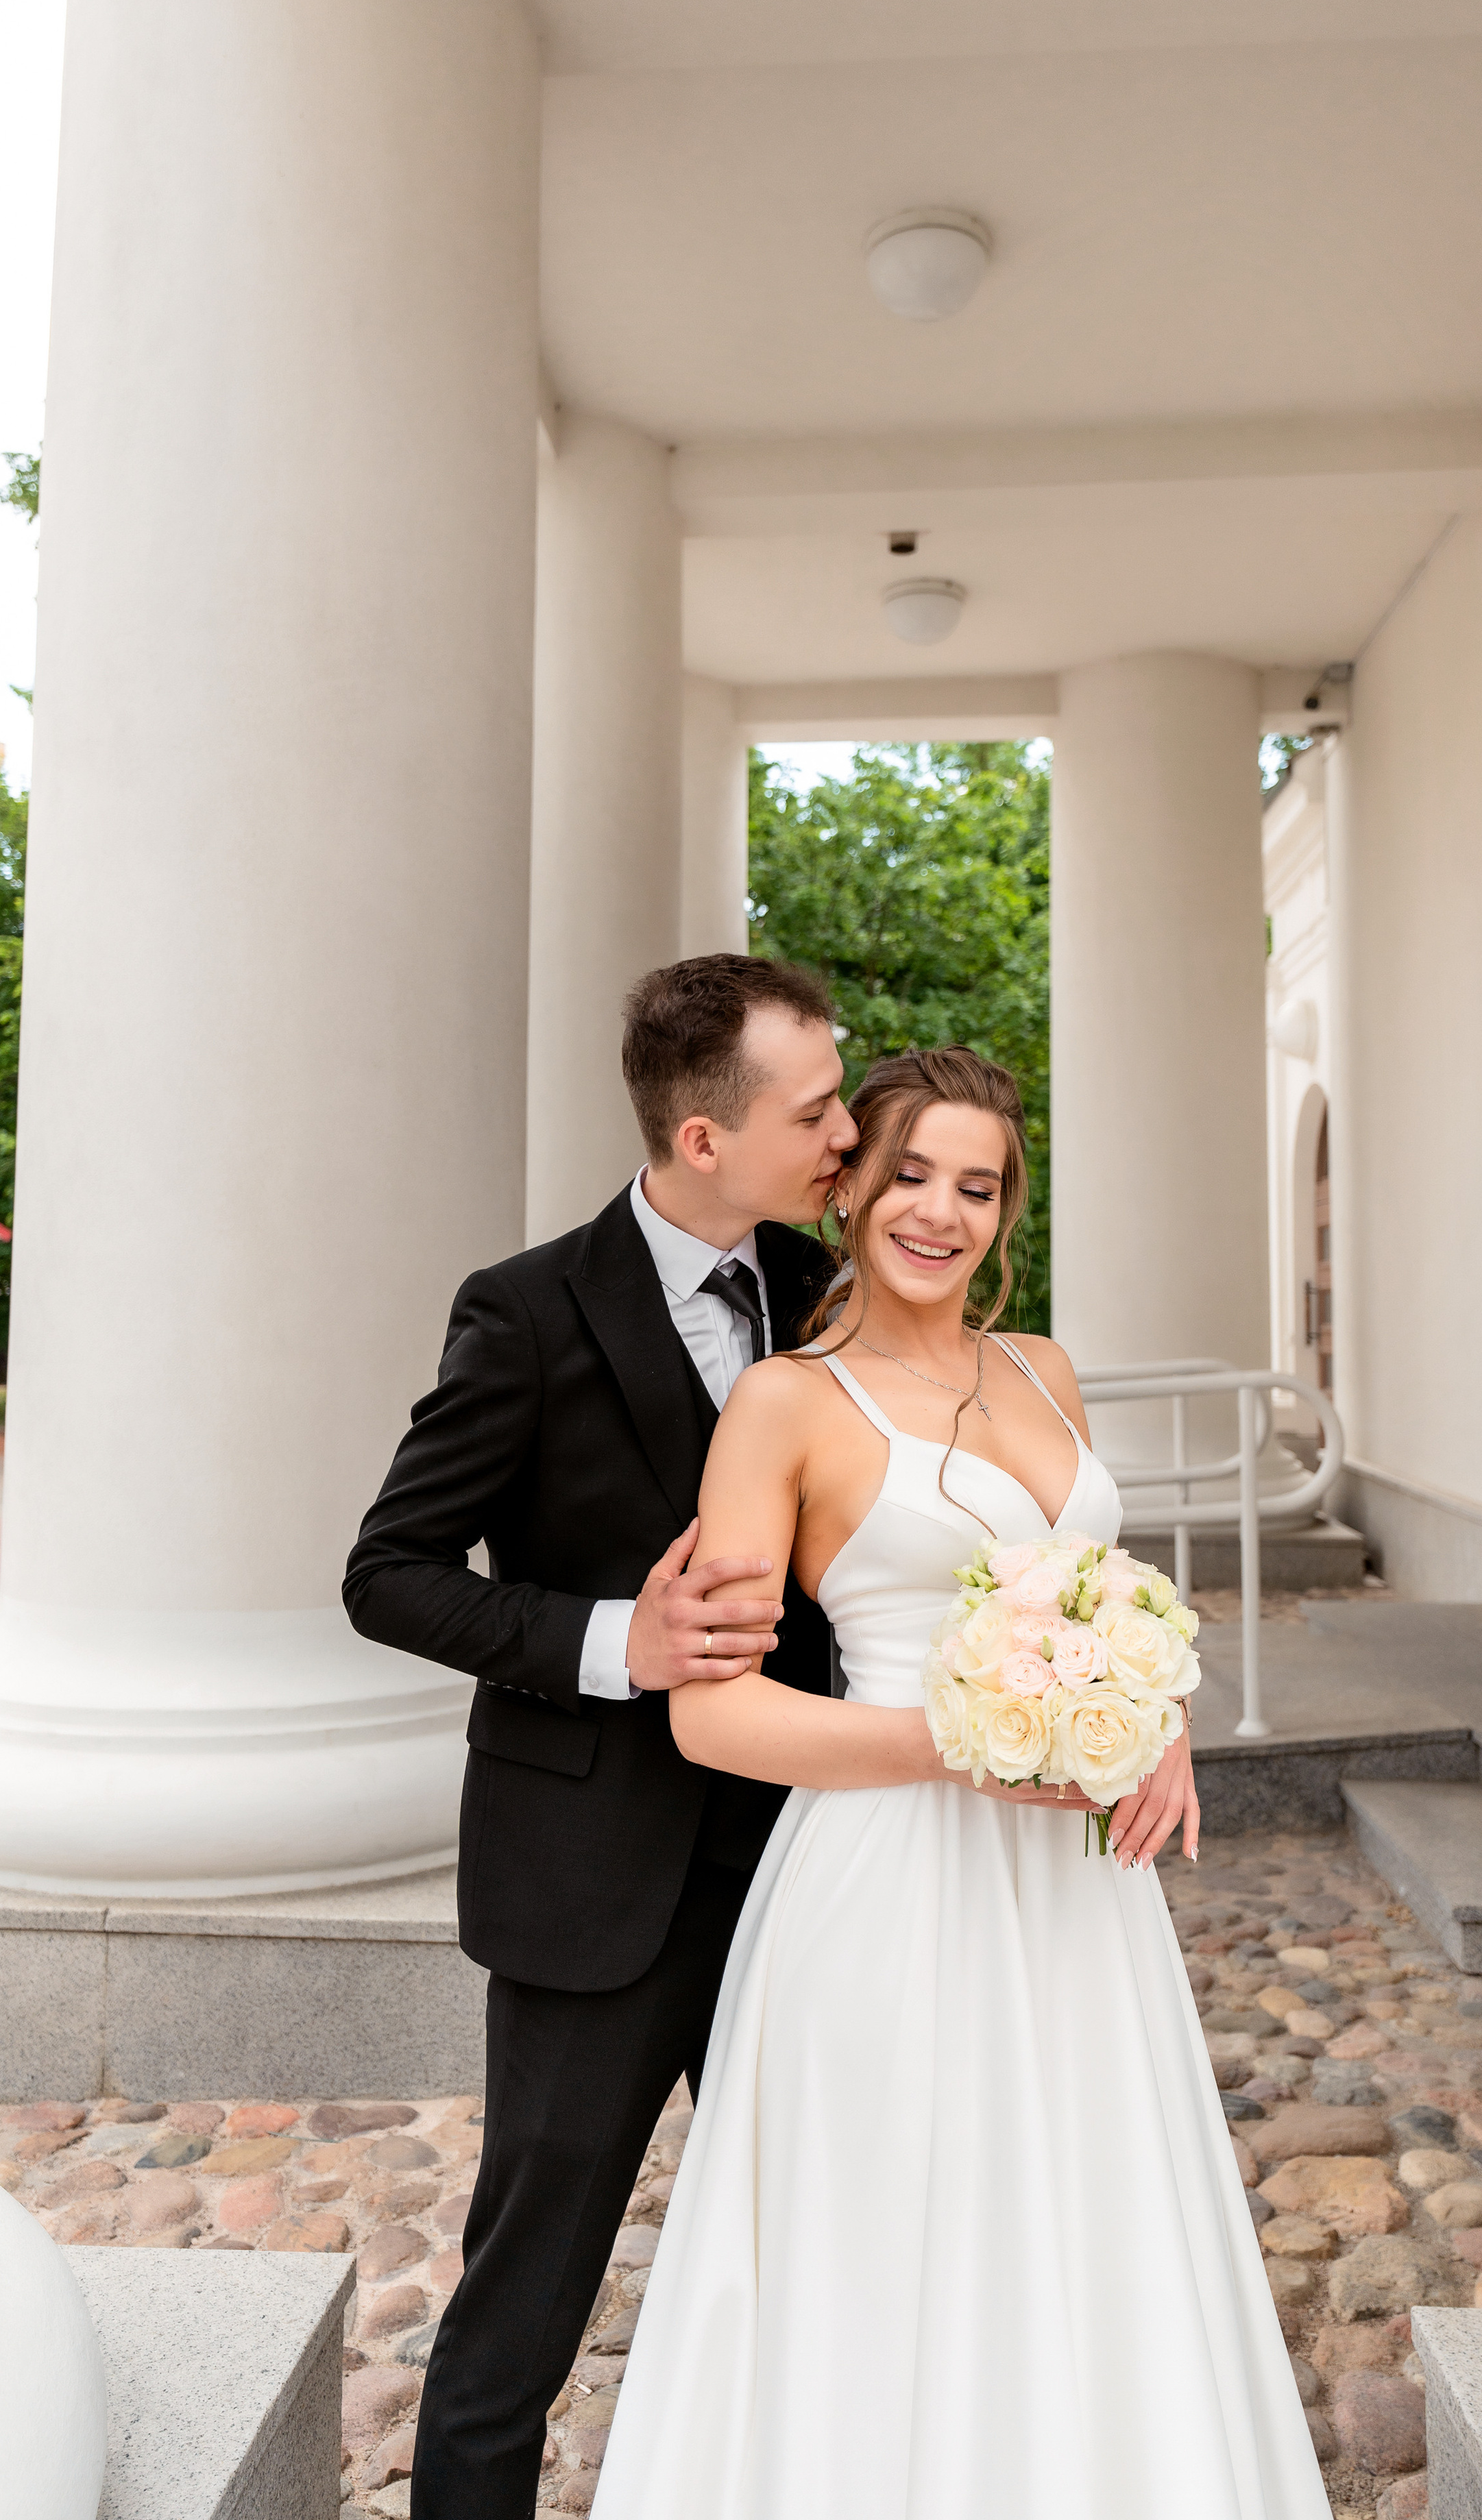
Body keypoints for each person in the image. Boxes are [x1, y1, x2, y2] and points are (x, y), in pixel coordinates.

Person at [592, 1043, 1332, 2520]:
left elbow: (1100, 1598)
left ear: (1006, 1210)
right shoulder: (786, 1408)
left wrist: (1150, 1712)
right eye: (909, 1174)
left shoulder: (1041, 1371)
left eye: (977, 1186)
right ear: (851, 1181)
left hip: (1074, 1893)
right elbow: (713, 1718)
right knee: (894, 2230)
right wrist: (973, 1744)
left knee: (1089, 2207)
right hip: (884, 1880)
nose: (940, 1212)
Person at [343, 953, 861, 2519]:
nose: (846, 1133)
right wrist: (606, 1643)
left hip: (809, 1868)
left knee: (820, 2254)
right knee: (526, 2301)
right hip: (595, 1890)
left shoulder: (827, 1293)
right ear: (703, 1137)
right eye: (819, 1106)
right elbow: (389, 1575)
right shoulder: (521, 1311)